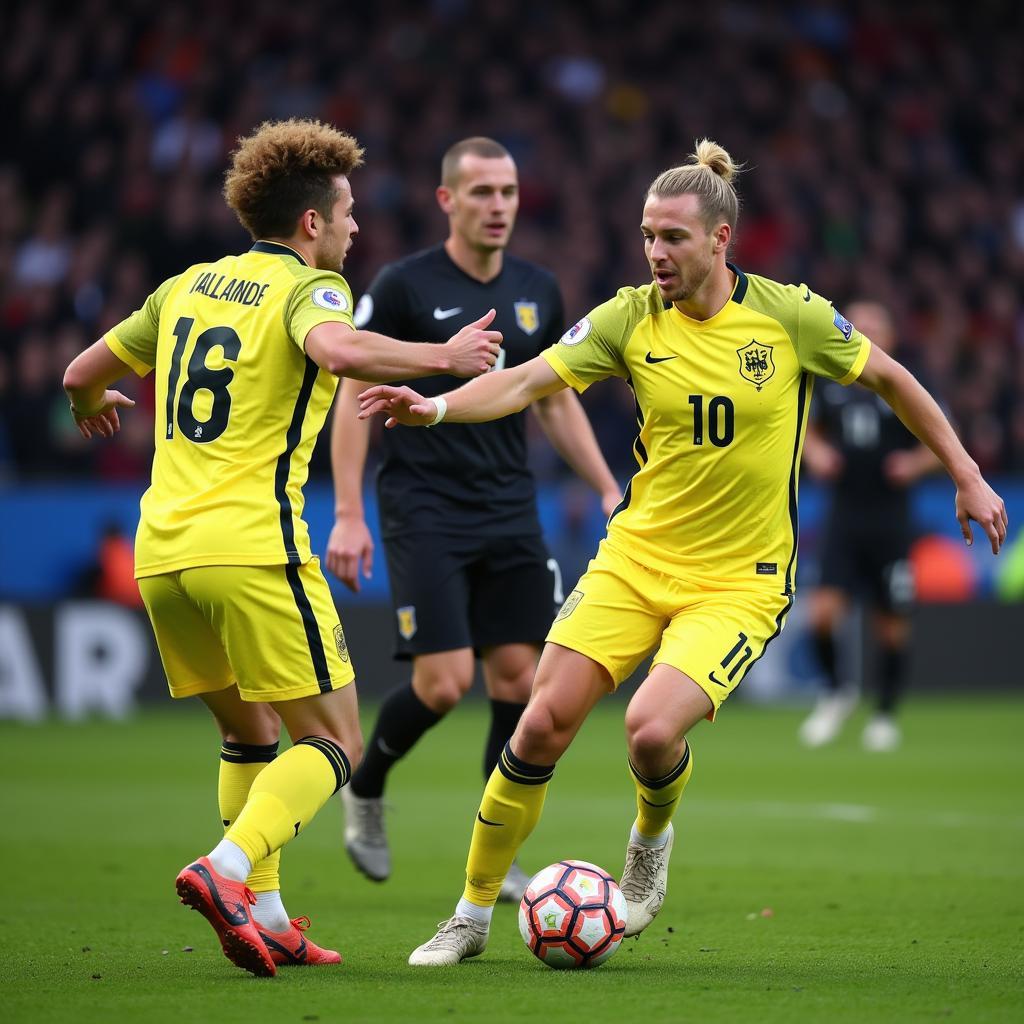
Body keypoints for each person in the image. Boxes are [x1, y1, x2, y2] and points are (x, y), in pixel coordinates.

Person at [357, 140, 1007, 966]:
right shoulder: (629, 317)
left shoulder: (790, 316)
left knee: (649, 732)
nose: (656, 254)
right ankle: (471, 913)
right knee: (539, 724)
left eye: (672, 238)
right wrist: (436, 408)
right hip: (636, 559)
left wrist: (966, 473)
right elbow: (526, 382)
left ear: (720, 239)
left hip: (738, 582)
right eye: (646, 237)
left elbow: (892, 378)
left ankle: (648, 844)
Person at [61, 118, 502, 977]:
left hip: (163, 555)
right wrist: (442, 357)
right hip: (253, 547)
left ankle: (265, 914)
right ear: (311, 224)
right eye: (346, 215)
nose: (355, 230)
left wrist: (88, 411)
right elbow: (336, 350)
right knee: (335, 740)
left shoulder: (185, 285)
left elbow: (82, 375)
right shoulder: (312, 289)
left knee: (250, 738)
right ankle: (226, 871)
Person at [327, 136, 621, 901]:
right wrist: (350, 511)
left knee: (520, 680)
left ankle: (498, 855)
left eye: (509, 192)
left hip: (509, 505)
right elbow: (351, 391)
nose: (499, 206)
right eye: (483, 192)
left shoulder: (538, 288)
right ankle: (367, 783)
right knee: (444, 682)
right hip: (424, 505)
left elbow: (553, 397)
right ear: (447, 200)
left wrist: (606, 486)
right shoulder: (401, 285)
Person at [798, 301, 939, 752]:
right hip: (843, 517)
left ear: (893, 336)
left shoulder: (905, 384)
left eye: (877, 326)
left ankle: (884, 715)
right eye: (860, 326)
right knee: (820, 613)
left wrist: (914, 464)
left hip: (891, 521)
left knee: (891, 623)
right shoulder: (831, 382)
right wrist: (816, 453)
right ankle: (837, 691)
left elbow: (941, 440)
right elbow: (803, 428)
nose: (868, 333)